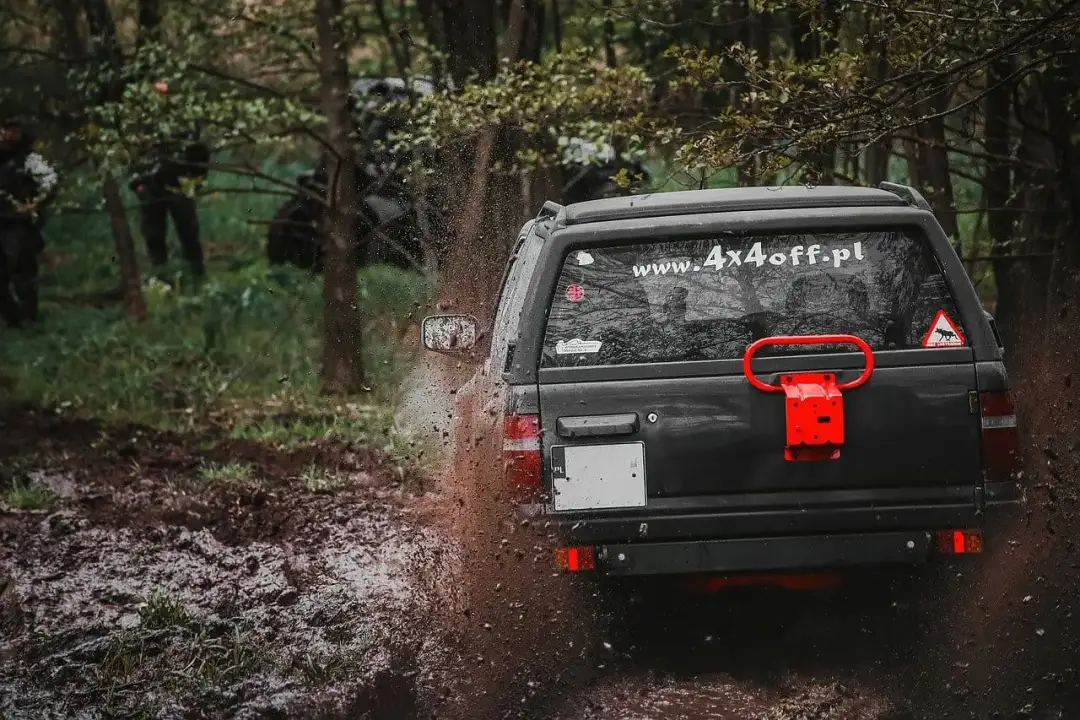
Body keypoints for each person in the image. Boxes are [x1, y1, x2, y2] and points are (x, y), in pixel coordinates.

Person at [130, 81, 211, 279]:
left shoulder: (183, 123)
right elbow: (131, 156)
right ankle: (161, 278)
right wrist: (138, 185)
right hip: (150, 188)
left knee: (189, 235)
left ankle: (197, 276)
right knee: (154, 237)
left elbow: (200, 153)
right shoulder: (142, 125)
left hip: (179, 187)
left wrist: (195, 182)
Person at [0, 117, 58, 327]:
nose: (8, 134)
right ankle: (12, 318)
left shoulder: (28, 159)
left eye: (13, 129)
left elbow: (50, 181)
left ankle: (28, 319)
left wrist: (35, 204)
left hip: (17, 224)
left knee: (21, 271)